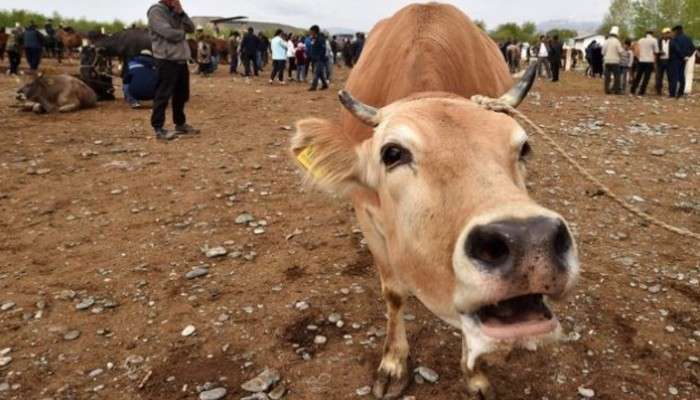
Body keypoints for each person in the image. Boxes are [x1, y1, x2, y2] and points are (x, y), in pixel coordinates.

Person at [147, 0, 199, 141]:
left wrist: (181, 13)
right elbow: (169, 34)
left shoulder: (175, 12)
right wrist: (182, 32)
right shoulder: (156, 11)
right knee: (162, 95)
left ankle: (180, 124)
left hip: (180, 60)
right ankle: (158, 128)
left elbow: (191, 28)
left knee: (181, 95)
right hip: (166, 60)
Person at [668, 25, 695, 98]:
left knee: (674, 77)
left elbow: (676, 49)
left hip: (675, 60)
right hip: (683, 60)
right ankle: (680, 92)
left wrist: (683, 56)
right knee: (681, 76)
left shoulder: (674, 39)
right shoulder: (688, 38)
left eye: (673, 31)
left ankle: (672, 94)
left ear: (676, 31)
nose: (673, 33)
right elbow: (693, 48)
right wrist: (687, 56)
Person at [631, 31, 659, 96]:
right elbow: (656, 51)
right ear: (652, 34)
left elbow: (635, 48)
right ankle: (641, 91)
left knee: (638, 76)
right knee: (646, 77)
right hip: (649, 61)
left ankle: (633, 90)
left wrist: (638, 57)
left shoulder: (641, 40)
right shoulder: (654, 40)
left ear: (646, 34)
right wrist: (655, 63)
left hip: (641, 60)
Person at [602, 27, 625, 94]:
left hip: (607, 61)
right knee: (616, 77)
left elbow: (603, 52)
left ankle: (607, 90)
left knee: (607, 77)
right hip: (615, 61)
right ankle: (617, 90)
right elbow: (620, 51)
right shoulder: (617, 41)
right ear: (616, 34)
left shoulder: (606, 41)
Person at [308, 25, 329, 91]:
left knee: (316, 72)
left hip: (320, 59)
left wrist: (319, 57)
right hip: (315, 58)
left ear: (315, 31)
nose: (310, 33)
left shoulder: (321, 38)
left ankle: (314, 86)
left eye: (311, 31)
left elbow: (323, 49)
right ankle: (325, 85)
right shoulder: (314, 38)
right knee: (320, 73)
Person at [656, 28, 672, 95]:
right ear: (663, 34)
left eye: (668, 33)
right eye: (666, 33)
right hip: (660, 61)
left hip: (669, 61)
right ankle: (658, 91)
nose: (667, 34)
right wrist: (659, 52)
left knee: (670, 76)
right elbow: (655, 50)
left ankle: (671, 91)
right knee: (659, 76)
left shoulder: (672, 41)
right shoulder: (658, 41)